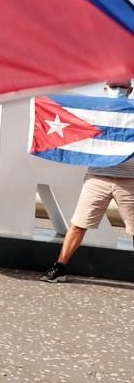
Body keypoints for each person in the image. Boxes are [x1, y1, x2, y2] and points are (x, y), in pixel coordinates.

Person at [40, 79, 134, 283]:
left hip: (130, 181)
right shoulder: (94, 113)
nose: (117, 91)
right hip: (98, 177)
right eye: (114, 87)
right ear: (105, 89)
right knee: (78, 225)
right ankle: (60, 266)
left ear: (130, 90)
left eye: (122, 87)